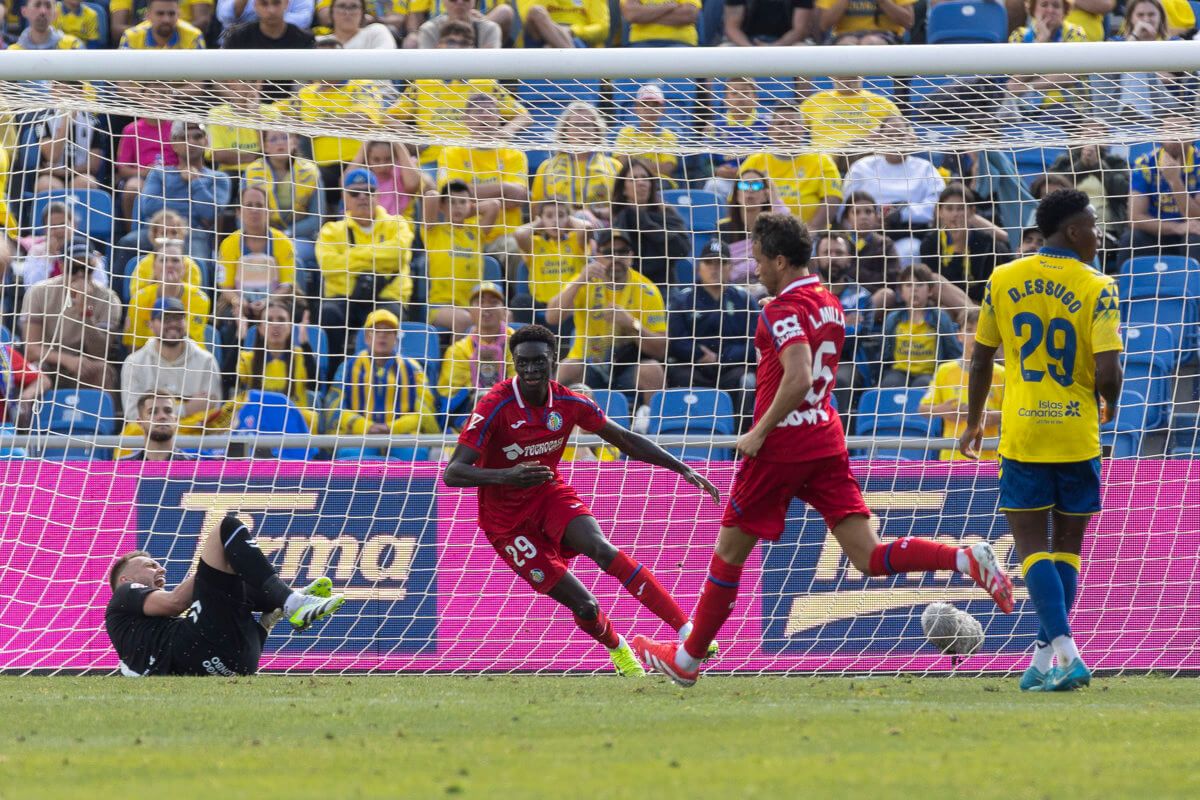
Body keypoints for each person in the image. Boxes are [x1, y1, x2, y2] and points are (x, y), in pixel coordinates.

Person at [631, 213, 1014, 687]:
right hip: (825, 438)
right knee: (867, 555)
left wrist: (758, 431)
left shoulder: (780, 310)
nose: (754, 270)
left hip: (782, 444)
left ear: (780, 259)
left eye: (758, 260)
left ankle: (686, 661)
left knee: (729, 552)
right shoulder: (829, 302)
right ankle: (963, 558)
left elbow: (798, 376)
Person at [443, 323, 721, 676]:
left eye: (538, 362)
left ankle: (687, 631)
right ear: (513, 362)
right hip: (506, 523)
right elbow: (453, 473)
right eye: (522, 363)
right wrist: (506, 476)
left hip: (547, 495)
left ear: (553, 360)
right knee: (586, 606)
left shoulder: (569, 402)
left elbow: (625, 439)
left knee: (602, 548)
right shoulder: (494, 406)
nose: (530, 370)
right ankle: (618, 648)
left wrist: (680, 467)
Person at [959, 188, 1123, 692]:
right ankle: (1046, 657)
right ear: (1073, 231)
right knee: (1068, 548)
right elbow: (1109, 370)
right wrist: (1109, 406)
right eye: (1095, 225)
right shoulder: (1099, 285)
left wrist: (973, 420)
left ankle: (1060, 655)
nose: (1100, 234)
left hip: (1025, 431)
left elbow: (983, 358)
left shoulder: (1004, 278)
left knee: (1032, 548)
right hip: (1077, 432)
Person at [106, 512, 345, 677]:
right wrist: (213, 566)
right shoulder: (124, 593)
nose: (161, 568)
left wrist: (263, 627)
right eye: (150, 565)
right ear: (126, 579)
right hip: (200, 649)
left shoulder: (145, 632)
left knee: (237, 578)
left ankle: (284, 603)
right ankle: (292, 600)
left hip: (235, 664)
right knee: (227, 529)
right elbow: (175, 602)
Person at [546, 230, 668, 410]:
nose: (615, 258)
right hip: (589, 363)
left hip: (628, 366)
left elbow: (661, 349)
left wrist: (632, 324)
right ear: (597, 256)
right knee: (566, 367)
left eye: (622, 252)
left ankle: (652, 425)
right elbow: (552, 317)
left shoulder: (647, 290)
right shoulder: (584, 280)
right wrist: (581, 280)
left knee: (652, 369)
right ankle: (552, 423)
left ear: (631, 256)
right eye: (608, 252)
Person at [388, 22, 530, 171]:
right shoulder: (422, 83)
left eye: (464, 43)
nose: (456, 47)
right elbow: (389, 117)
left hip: (475, 161)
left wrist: (505, 132)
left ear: (473, 49)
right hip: (433, 162)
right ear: (438, 46)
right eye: (451, 42)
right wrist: (413, 139)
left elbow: (524, 116)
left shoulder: (485, 83)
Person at [315, 168, 415, 356]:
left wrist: (350, 258)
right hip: (344, 298)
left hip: (386, 297)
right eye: (355, 193)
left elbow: (400, 254)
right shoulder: (331, 230)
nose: (362, 197)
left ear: (377, 195)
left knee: (389, 319)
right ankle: (331, 377)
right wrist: (379, 257)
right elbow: (328, 266)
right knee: (329, 313)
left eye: (368, 191)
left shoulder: (397, 224)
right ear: (345, 198)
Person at [437, 92, 530, 277]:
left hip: (504, 237)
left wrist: (469, 191)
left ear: (499, 117)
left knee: (516, 249)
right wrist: (503, 188)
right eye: (478, 111)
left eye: (490, 110)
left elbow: (518, 197)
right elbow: (452, 197)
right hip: (462, 234)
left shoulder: (514, 154)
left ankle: (516, 304)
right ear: (466, 119)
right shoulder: (451, 153)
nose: (485, 115)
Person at [666, 239, 757, 424]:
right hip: (693, 369)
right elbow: (675, 340)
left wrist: (723, 357)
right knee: (676, 376)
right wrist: (698, 354)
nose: (715, 268)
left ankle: (740, 441)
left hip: (732, 369)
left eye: (721, 263)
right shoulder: (683, 300)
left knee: (748, 381)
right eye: (709, 262)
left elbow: (756, 342)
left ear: (730, 267)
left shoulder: (744, 300)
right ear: (699, 267)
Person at [21, 243, 122, 391]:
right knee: (35, 369)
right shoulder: (39, 292)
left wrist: (85, 313)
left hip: (87, 364)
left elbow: (100, 352)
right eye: (74, 268)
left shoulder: (109, 298)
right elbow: (31, 350)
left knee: (102, 370)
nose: (80, 274)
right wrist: (68, 360)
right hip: (50, 363)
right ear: (62, 266)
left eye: (86, 268)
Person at [326, 308, 441, 438]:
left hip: (403, 436)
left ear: (396, 338)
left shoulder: (414, 369)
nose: (382, 335)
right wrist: (364, 426)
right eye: (376, 331)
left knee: (414, 452)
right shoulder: (347, 367)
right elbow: (334, 408)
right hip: (357, 435)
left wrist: (393, 428)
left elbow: (426, 412)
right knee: (351, 452)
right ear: (366, 338)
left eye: (388, 331)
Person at [120, 296, 223, 434]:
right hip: (150, 439)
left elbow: (213, 412)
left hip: (195, 440)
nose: (173, 324)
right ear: (151, 324)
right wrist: (186, 409)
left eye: (178, 318)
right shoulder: (134, 363)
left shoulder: (206, 361)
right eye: (166, 319)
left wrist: (156, 412)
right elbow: (133, 415)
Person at [135, 120, 233, 263]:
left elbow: (210, 212)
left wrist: (195, 182)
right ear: (173, 144)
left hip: (193, 234)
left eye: (197, 136)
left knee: (199, 262)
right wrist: (192, 209)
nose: (190, 142)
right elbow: (149, 206)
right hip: (157, 232)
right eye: (183, 137)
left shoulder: (219, 178)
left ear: (206, 141)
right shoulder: (158, 173)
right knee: (126, 244)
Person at [918, 307, 1005, 461]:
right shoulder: (945, 370)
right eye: (970, 330)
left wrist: (995, 417)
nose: (975, 336)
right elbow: (923, 409)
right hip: (951, 457)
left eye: (981, 330)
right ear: (959, 335)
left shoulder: (1001, 374)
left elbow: (1013, 413)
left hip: (988, 458)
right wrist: (943, 410)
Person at [741, 105, 843, 231]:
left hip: (810, 237)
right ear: (770, 129)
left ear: (803, 129)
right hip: (762, 236)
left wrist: (809, 234)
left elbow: (832, 199)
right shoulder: (755, 161)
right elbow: (738, 198)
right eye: (781, 124)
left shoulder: (822, 160)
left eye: (792, 124)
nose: (787, 129)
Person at [420, 179, 500, 333]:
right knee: (464, 320)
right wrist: (454, 207)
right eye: (452, 202)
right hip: (441, 306)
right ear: (442, 206)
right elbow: (431, 196)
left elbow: (494, 205)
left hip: (474, 305)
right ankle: (457, 357)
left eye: (462, 202)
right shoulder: (433, 231)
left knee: (506, 316)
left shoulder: (476, 231)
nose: (457, 207)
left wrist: (468, 208)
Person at [1120, 121, 1200, 263]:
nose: (1174, 136)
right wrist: (1177, 227)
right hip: (1157, 231)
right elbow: (1135, 218)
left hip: (1192, 232)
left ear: (1192, 136)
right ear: (1159, 135)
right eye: (1169, 130)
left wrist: (1175, 182)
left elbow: (1196, 215)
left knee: (1194, 240)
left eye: (1181, 130)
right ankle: (1125, 285)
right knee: (1130, 239)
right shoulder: (1144, 163)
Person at [438, 281, 516, 425]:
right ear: (470, 312)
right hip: (468, 420)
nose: (486, 308)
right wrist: (474, 386)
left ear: (504, 311)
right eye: (480, 302)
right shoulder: (456, 351)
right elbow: (447, 397)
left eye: (493, 302)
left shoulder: (518, 343)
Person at [920, 183, 1012, 304]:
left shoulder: (985, 241)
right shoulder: (930, 243)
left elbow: (989, 284)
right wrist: (958, 249)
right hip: (946, 304)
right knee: (935, 281)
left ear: (972, 211)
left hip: (982, 304)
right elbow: (936, 288)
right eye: (949, 208)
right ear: (939, 212)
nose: (955, 214)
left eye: (961, 208)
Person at [235, 297, 318, 431]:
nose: (275, 324)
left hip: (292, 424)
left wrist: (305, 344)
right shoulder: (247, 359)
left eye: (281, 320)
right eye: (269, 320)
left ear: (290, 327)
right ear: (260, 328)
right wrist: (238, 339)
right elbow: (230, 382)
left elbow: (315, 385)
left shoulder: (301, 356)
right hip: (257, 424)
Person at [530, 102, 620, 222]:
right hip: (558, 231)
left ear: (596, 131)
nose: (581, 130)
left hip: (602, 231)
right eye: (576, 124)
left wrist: (590, 214)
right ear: (565, 131)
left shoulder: (614, 167)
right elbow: (536, 210)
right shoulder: (546, 168)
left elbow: (622, 209)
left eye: (586, 124)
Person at [609, 158, 691, 290]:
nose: (640, 183)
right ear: (623, 189)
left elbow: (682, 249)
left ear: (651, 185)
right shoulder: (620, 219)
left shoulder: (667, 214)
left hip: (664, 287)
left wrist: (643, 222)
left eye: (645, 178)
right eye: (633, 179)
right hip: (629, 287)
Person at [880, 264, 963, 388]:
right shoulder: (893, 318)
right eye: (908, 285)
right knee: (890, 383)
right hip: (899, 371)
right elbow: (885, 354)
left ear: (930, 291)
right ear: (901, 292)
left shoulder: (940, 318)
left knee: (923, 384)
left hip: (929, 374)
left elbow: (953, 352)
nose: (914, 289)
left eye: (919, 285)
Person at [126, 239, 212, 352]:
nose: (169, 265)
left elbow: (189, 343)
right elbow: (134, 347)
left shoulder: (199, 299)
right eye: (163, 260)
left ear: (184, 267)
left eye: (175, 260)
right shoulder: (140, 299)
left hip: (188, 361)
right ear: (154, 266)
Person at [513, 198, 592, 319]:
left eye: (561, 216)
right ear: (541, 219)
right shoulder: (535, 244)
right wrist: (539, 223)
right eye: (549, 216)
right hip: (541, 306)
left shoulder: (575, 242)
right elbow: (519, 233)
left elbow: (587, 228)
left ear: (569, 219)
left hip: (570, 305)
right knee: (519, 302)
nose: (555, 221)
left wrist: (568, 220)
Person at [719, 168, 785, 288]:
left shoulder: (775, 230)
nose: (749, 190)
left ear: (766, 195)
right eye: (744, 185)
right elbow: (719, 270)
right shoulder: (721, 229)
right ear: (736, 193)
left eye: (756, 185)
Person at [800, 73, 900, 151]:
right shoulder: (814, 101)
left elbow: (908, 135)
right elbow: (793, 128)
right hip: (823, 159)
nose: (847, 80)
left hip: (867, 157)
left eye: (851, 75)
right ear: (831, 75)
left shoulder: (883, 103)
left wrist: (883, 133)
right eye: (842, 76)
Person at [612, 83, 680, 180]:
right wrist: (651, 165)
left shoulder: (668, 135)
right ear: (636, 108)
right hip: (631, 180)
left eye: (655, 105)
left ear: (662, 109)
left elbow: (667, 168)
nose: (650, 109)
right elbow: (621, 163)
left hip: (660, 183)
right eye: (644, 104)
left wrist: (635, 161)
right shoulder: (626, 132)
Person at [121, 392, 199, 461]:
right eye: (153, 412)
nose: (162, 416)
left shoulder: (195, 467)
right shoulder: (121, 467)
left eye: (168, 411)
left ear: (176, 420)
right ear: (140, 423)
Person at [358, 140, 425, 219]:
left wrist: (398, 146)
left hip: (400, 225)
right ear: (367, 159)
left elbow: (413, 185)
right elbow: (344, 184)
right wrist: (364, 147)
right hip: (371, 225)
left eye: (388, 159)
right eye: (376, 160)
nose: (382, 166)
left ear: (395, 158)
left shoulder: (401, 171)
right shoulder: (363, 176)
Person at [515, 0, 609, 47]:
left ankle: (569, 56)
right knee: (536, 12)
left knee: (549, 49)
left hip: (578, 39)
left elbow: (603, 28)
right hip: (540, 35)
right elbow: (527, 15)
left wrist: (572, 31)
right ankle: (575, 62)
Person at [118, 0, 206, 48]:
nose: (166, 19)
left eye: (171, 14)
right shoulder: (131, 36)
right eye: (160, 14)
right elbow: (123, 80)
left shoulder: (193, 36)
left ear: (179, 15)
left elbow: (196, 81)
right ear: (148, 15)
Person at [417, 0, 504, 47]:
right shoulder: (429, 30)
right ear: (443, 1)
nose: (460, 2)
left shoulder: (490, 29)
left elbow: (490, 68)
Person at [722, 0, 811, 46]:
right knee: (723, 52)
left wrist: (774, 47)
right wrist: (750, 48)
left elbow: (799, 29)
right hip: (745, 42)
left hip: (788, 44)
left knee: (806, 52)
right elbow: (732, 28)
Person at [816, 0, 914, 40]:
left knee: (870, 43)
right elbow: (824, 25)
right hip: (845, 36)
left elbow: (909, 22)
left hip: (886, 36)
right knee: (847, 45)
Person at [8, 0, 84, 50]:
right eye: (37, 5)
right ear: (24, 11)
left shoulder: (72, 46)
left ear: (55, 14)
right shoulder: (13, 52)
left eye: (48, 6)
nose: (43, 11)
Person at [621, 0, 701, 47]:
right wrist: (668, 6)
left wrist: (646, 16)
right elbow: (632, 14)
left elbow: (688, 15)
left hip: (680, 44)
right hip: (640, 45)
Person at [326, 0, 397, 47]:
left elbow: (385, 61)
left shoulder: (376, 32)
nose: (347, 12)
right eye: (342, 6)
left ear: (362, 12)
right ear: (332, 12)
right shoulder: (320, 42)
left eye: (354, 7)